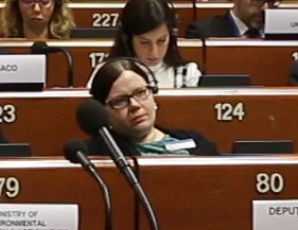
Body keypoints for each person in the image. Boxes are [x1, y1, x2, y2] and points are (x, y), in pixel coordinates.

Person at [64, 58, 218, 159]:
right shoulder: (94, 154)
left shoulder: (195, 140)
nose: (135, 105)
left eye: (140, 93)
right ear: (104, 110)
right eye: (120, 101)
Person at [110, 0, 202, 89]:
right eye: (144, 42)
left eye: (161, 41)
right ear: (127, 38)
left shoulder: (187, 74)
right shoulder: (108, 75)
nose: (154, 53)